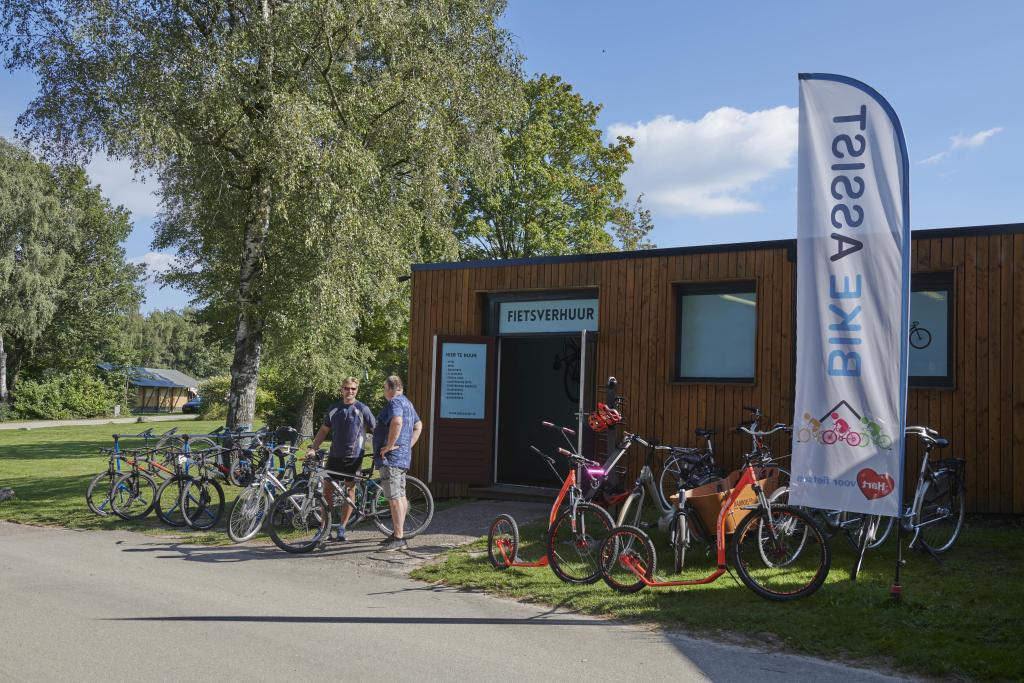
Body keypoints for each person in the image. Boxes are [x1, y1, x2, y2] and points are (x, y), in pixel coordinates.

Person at [307, 377, 375, 541]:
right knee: (326, 492)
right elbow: (324, 430)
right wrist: (314, 448)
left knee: (349, 490)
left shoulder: (362, 409)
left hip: (353, 457)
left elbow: (376, 428)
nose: (349, 391)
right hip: (334, 455)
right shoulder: (334, 409)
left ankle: (342, 528)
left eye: (353, 388)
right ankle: (324, 527)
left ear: (357, 390)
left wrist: (383, 448)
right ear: (341, 389)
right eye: (346, 388)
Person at [372, 375, 422, 552]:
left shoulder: (395, 402)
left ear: (390, 389)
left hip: (391, 459)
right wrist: (407, 445)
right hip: (402, 457)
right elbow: (418, 426)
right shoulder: (408, 403)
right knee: (400, 496)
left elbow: (397, 421)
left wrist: (390, 445)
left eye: (384, 388)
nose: (384, 391)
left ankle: (399, 537)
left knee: (393, 498)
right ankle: (397, 534)